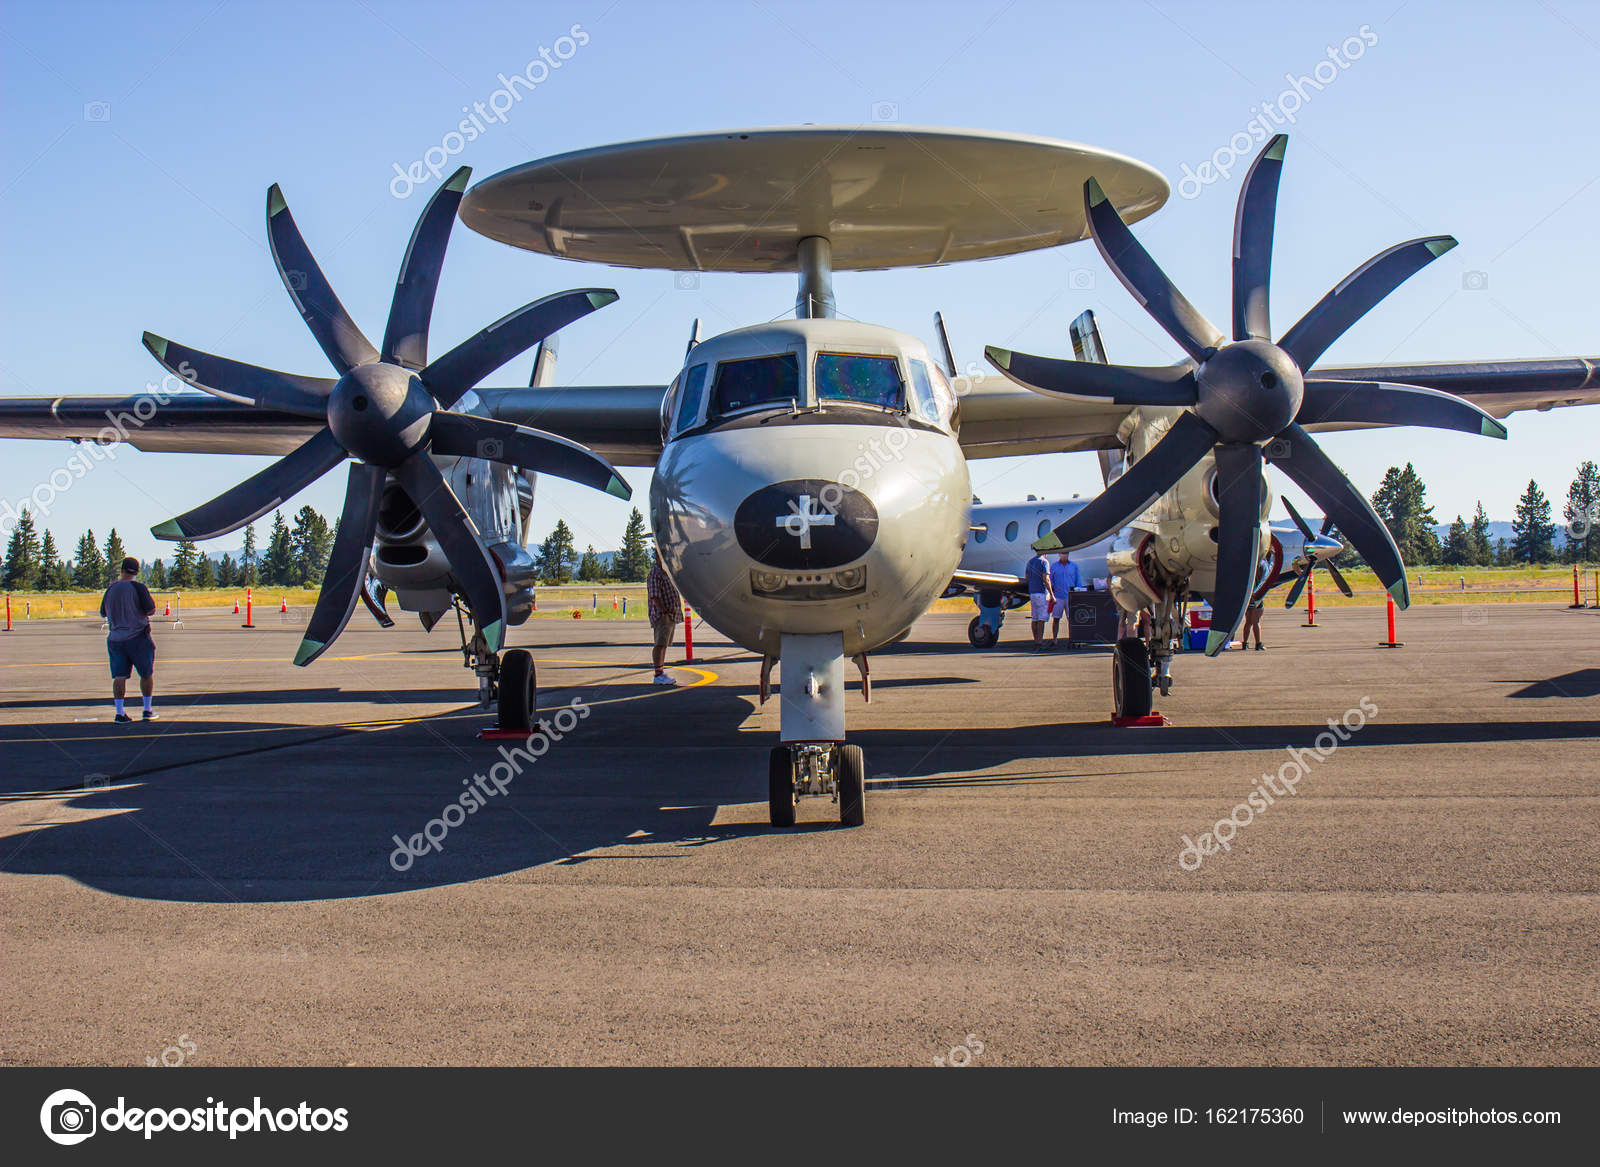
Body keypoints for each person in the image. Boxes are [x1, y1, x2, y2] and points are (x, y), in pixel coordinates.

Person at [100, 556, 158, 722]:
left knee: (119, 676)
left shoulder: (111, 589)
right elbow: (150, 609)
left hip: (115, 638)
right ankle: (147, 709)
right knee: (146, 673)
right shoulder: (138, 587)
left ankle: (119, 712)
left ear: (122, 570)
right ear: (137, 571)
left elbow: (103, 612)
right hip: (138, 637)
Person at [646, 547, 682, 686]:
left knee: (664, 644)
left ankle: (660, 671)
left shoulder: (665, 572)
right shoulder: (655, 574)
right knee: (660, 644)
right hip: (663, 615)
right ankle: (658, 674)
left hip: (669, 614)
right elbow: (654, 596)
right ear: (657, 556)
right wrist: (664, 611)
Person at [1047, 551, 1082, 647]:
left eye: (1066, 553)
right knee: (1056, 618)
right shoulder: (1054, 566)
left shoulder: (1074, 566)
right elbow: (1050, 579)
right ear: (1059, 554)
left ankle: (1073, 639)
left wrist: (1078, 593)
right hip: (1058, 596)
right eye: (1062, 553)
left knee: (1071, 619)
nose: (1064, 555)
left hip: (1070, 596)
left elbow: (1078, 580)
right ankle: (1054, 639)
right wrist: (1052, 591)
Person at [1023, 546, 1055, 650]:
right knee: (1041, 618)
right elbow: (1046, 579)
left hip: (1032, 593)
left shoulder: (1030, 562)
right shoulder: (1044, 562)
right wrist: (1051, 594)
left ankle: (1036, 639)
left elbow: (1027, 578)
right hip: (1041, 593)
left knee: (1035, 618)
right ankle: (1040, 641)